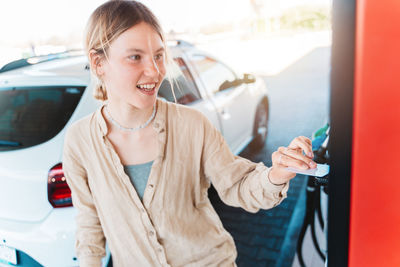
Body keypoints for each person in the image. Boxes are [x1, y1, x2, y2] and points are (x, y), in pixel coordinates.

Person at [62, 1, 317, 266]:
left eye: (159, 55)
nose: (155, 71)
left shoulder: (192, 124)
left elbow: (237, 185)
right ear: (98, 62)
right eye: (135, 57)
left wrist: (276, 174)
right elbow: (89, 228)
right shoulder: (80, 141)